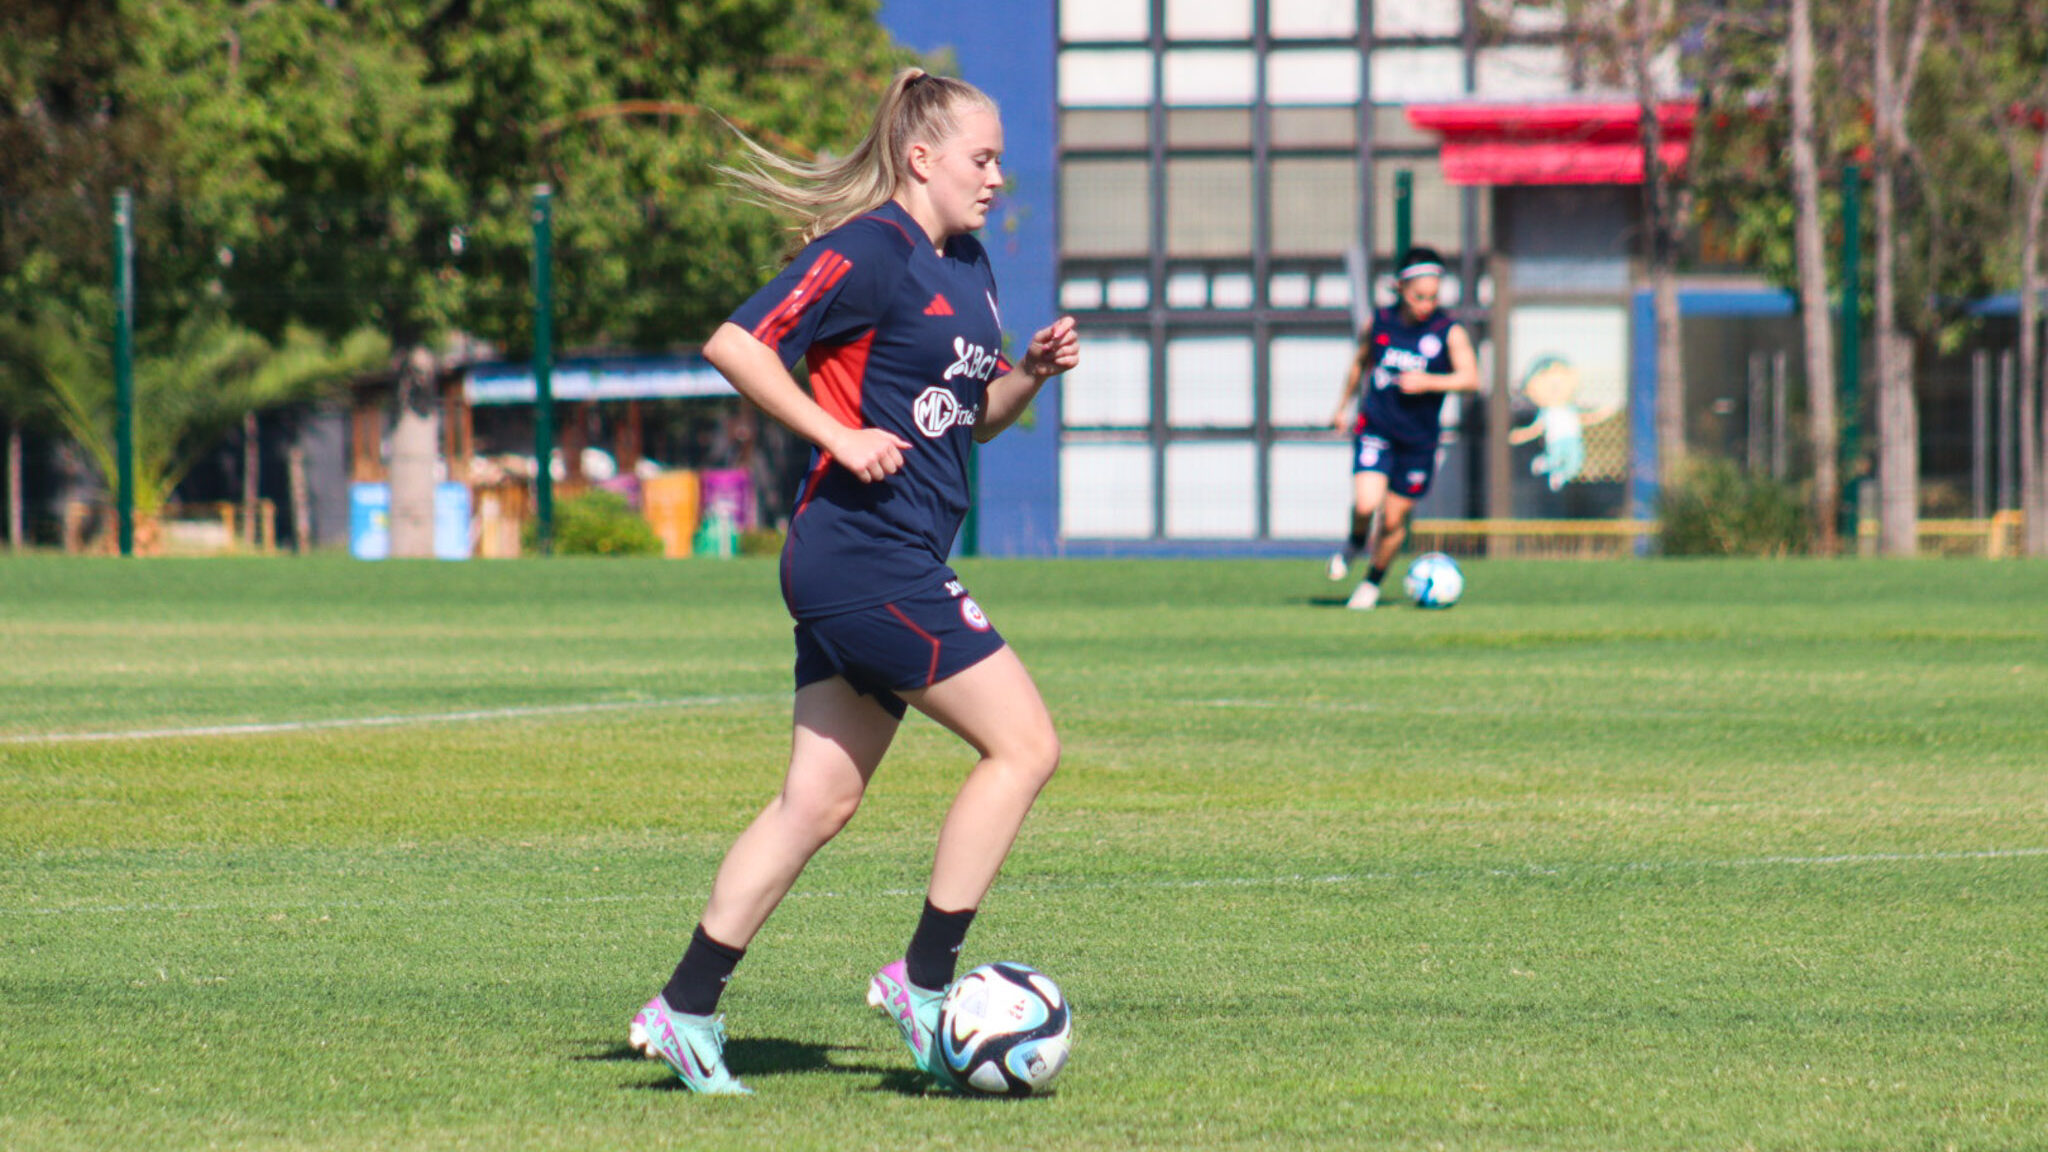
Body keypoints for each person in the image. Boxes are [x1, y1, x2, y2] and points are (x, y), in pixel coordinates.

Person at [626, 68, 1081, 1095]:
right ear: (920, 157)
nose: (996, 178)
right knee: (1024, 746)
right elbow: (734, 344)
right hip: (861, 554)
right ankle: (923, 984)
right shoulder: (867, 250)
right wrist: (835, 432)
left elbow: (967, 421)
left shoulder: (969, 269)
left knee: (816, 802)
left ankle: (684, 1008)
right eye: (981, 158)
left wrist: (1030, 376)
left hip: (889, 555)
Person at [1324, 246, 1479, 609]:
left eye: (1433, 297)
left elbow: (1471, 378)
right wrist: (1341, 408)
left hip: (1419, 440)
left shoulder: (1447, 331)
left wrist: (1430, 382)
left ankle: (1371, 584)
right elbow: (1359, 364)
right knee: (1367, 503)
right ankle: (1355, 542)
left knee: (1393, 520)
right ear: (1400, 289)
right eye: (1418, 296)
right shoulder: (1379, 323)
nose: (1426, 304)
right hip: (1376, 426)